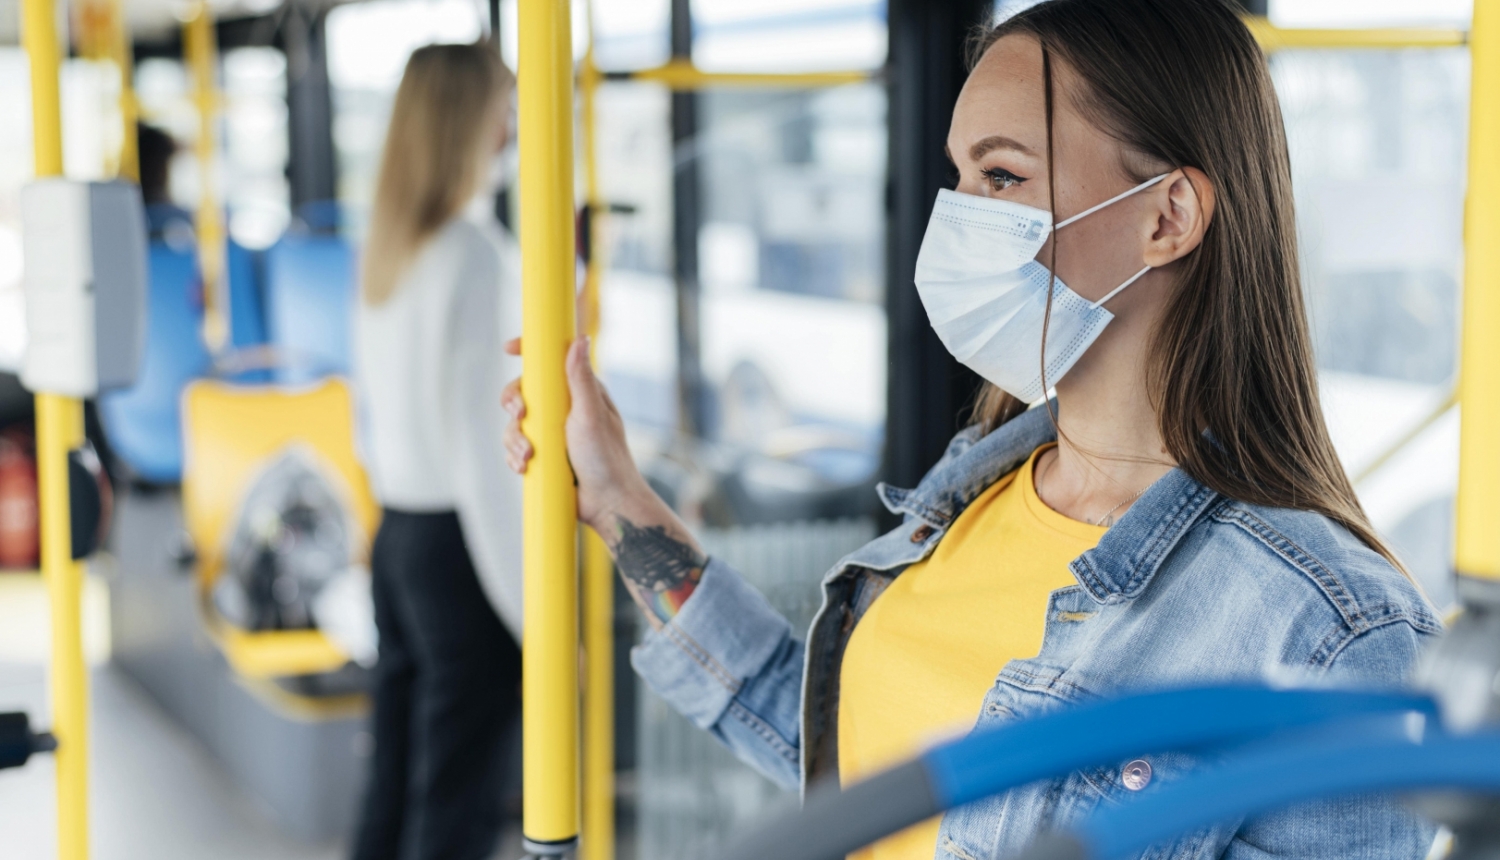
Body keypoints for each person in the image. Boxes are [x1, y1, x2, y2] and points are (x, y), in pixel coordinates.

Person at [504, 0, 1440, 857]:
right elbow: (861, 773)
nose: (958, 218)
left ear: (1169, 215)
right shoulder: (977, 490)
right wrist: (621, 502)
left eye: (1002, 175)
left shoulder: (1332, 634)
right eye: (960, 179)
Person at [351, 42, 522, 860]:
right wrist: (533, 612)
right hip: (459, 549)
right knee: (457, 792)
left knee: (399, 768)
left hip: (397, 536)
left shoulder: (391, 250)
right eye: (507, 108)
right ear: (475, 123)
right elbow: (480, 455)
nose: (517, 128)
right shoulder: (474, 255)